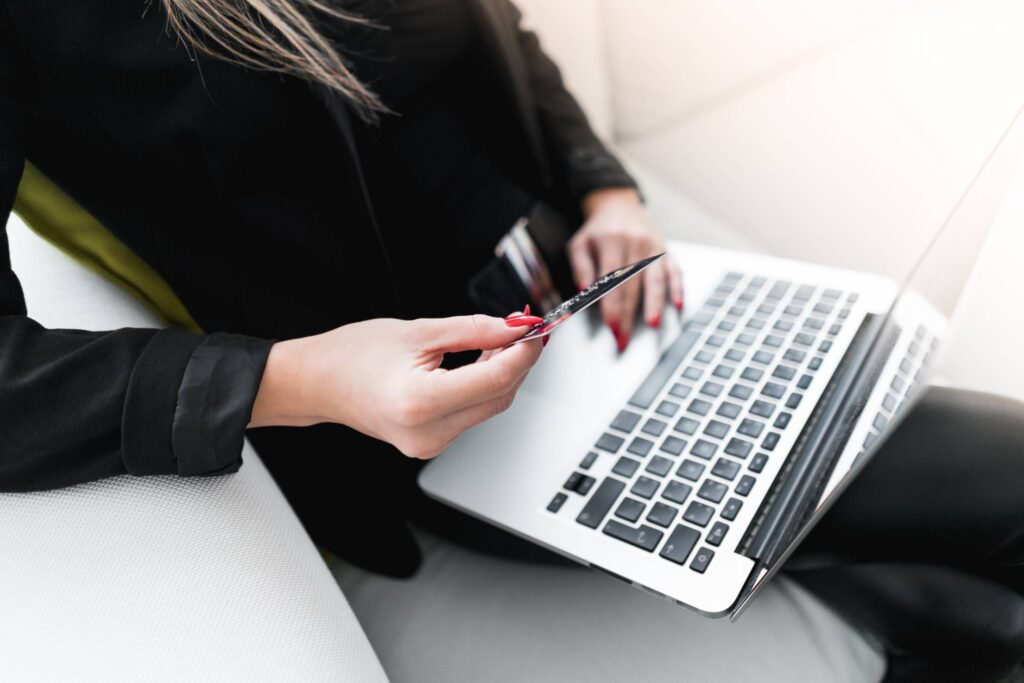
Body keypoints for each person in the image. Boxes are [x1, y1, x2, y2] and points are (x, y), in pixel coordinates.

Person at [0, 1, 1021, 680]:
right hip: (425, 430)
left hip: (598, 304)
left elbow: (490, 33)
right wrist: (298, 378)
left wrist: (600, 184)